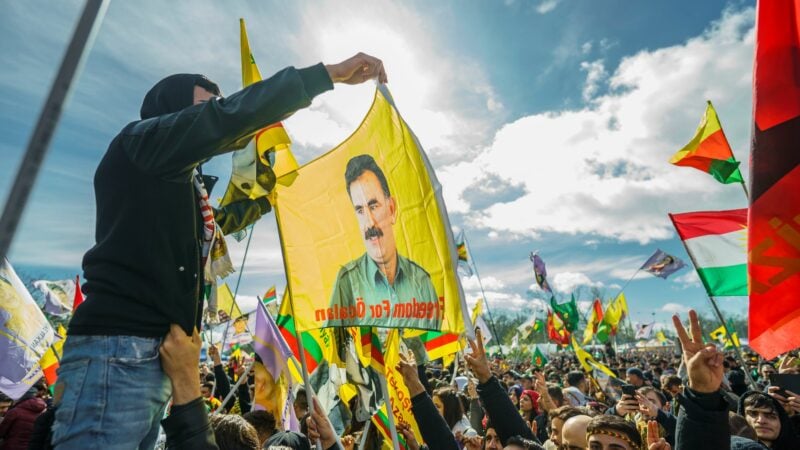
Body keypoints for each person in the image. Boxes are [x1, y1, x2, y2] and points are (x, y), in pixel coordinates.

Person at [53, 52, 388, 450]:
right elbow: (225, 119)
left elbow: (216, 226)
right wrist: (325, 76)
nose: (216, 114)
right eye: (204, 107)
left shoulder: (182, 186)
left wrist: (268, 201)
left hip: (150, 357)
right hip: (119, 350)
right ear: (172, 110)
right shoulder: (140, 143)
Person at [327, 154, 439, 329]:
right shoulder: (346, 282)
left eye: (373, 206)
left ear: (392, 209)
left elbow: (439, 351)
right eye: (360, 210)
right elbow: (333, 351)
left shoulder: (422, 283)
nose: (369, 222)